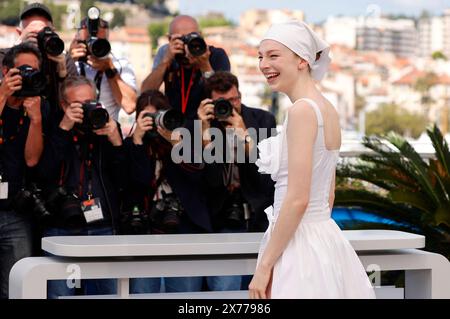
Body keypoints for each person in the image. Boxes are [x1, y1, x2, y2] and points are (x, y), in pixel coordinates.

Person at [249, 20, 376, 299]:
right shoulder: (327, 109)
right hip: (323, 238)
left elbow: (297, 199)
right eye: (260, 56)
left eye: (273, 55)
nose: (263, 65)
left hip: (297, 244)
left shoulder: (301, 112)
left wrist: (264, 267)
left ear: (302, 60)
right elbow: (328, 195)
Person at [37, 76, 125, 298]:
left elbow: (125, 179)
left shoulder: (106, 126)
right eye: (80, 104)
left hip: (103, 226)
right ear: (64, 105)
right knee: (61, 294)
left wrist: (116, 142)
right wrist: (64, 129)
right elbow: (43, 173)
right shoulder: (54, 126)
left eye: (91, 101)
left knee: (105, 295)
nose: (87, 109)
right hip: (62, 226)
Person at [124, 90, 212, 293]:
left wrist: (175, 143)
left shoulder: (183, 141)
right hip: (146, 233)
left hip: (184, 231)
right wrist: (137, 140)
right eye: (146, 117)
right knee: (143, 294)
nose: (153, 123)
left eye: (157, 116)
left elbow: (197, 176)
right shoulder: (133, 145)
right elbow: (139, 183)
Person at [198, 71, 276, 291]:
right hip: (223, 219)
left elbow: (267, 175)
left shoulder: (263, 120)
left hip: (259, 218)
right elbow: (207, 178)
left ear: (240, 96)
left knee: (262, 290)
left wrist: (244, 133)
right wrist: (204, 130)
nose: (230, 107)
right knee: (226, 290)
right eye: (223, 102)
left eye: (234, 100)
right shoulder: (204, 126)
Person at [0, 43, 49, 299]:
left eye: (35, 70)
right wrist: (2, 95)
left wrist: (36, 120)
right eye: (23, 70)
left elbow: (32, 160)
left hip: (16, 212)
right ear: (6, 70)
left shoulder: (38, 106)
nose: (30, 75)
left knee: (17, 289)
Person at [141, 15, 230, 120]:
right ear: (169, 39)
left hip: (206, 124)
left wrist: (205, 66)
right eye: (181, 39)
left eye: (192, 37)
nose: (187, 45)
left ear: (201, 36)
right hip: (175, 125)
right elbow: (146, 93)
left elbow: (223, 96)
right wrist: (165, 62)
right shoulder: (165, 53)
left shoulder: (216, 55)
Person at [0, 2, 78, 111]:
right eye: (32, 35)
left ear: (53, 33)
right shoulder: (4, 57)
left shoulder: (63, 60)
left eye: (43, 35)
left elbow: (73, 106)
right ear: (20, 34)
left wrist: (62, 73)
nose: (38, 40)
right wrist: (18, 52)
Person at [69, 16, 137, 121]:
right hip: (74, 132)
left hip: (107, 131)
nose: (93, 46)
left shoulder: (119, 64)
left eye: (100, 41)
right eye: (88, 41)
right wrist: (69, 61)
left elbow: (130, 106)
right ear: (77, 39)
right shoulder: (69, 62)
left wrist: (109, 70)